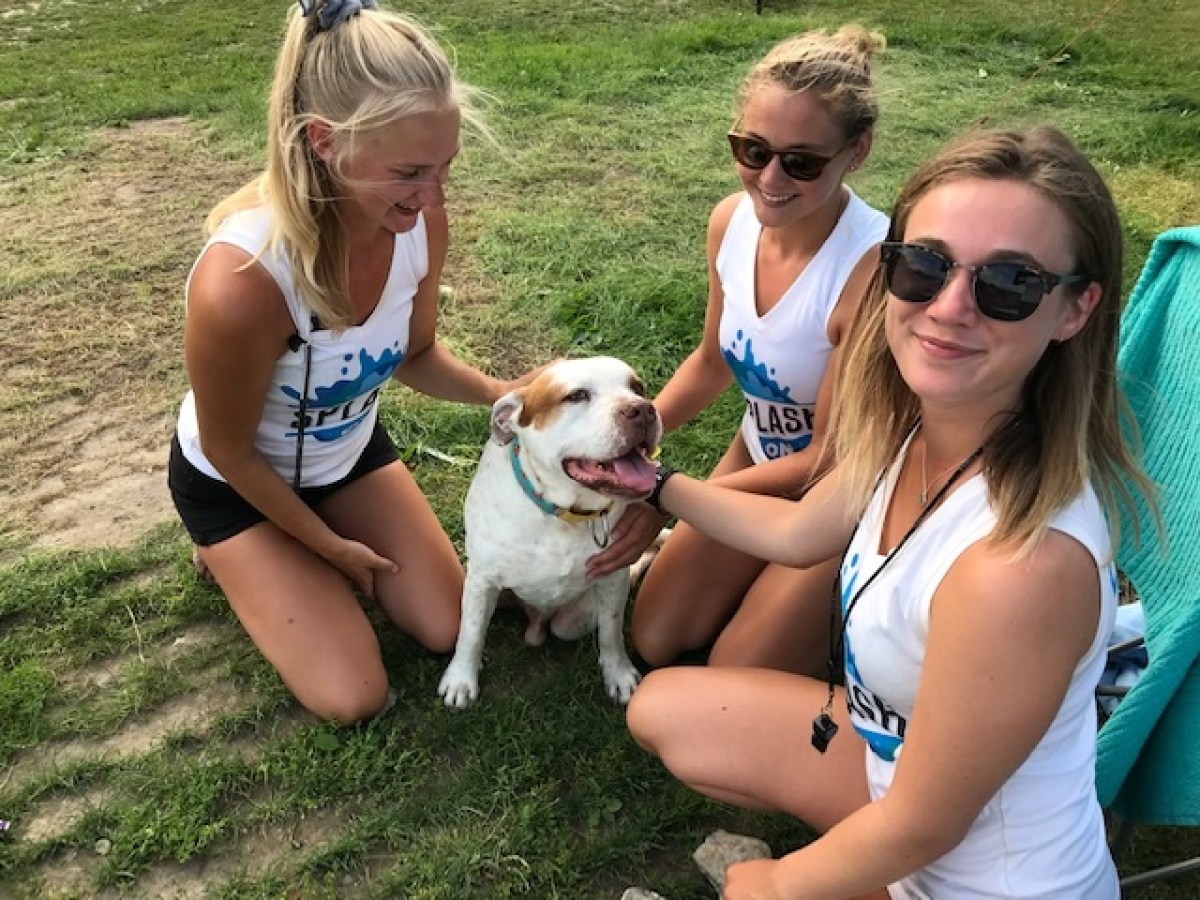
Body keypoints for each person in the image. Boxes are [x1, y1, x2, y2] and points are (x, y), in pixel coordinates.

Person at [627, 125, 1156, 899]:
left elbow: (923, 827)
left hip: (985, 882)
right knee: (663, 708)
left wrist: (772, 884)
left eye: (1010, 283)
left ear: (1076, 309)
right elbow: (797, 532)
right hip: (902, 772)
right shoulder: (920, 431)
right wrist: (650, 484)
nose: (950, 307)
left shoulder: (1022, 567)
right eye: (925, 264)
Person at [168, 0, 532, 725]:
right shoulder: (242, 282)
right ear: (324, 141)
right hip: (237, 482)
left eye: (446, 167)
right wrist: (331, 549)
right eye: (410, 172)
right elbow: (231, 452)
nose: (434, 196)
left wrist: (508, 393)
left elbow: (416, 355)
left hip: (344, 453)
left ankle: (288, 559)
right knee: (353, 696)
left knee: (445, 624)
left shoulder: (419, 220)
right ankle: (232, 554)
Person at [587, 26, 889, 673]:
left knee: (734, 669)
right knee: (657, 637)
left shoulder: (870, 268)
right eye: (752, 150)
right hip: (761, 454)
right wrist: (627, 444)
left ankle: (870, 587)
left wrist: (664, 493)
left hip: (842, 498)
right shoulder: (731, 221)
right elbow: (711, 362)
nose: (770, 178)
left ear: (857, 150)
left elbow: (828, 457)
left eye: (802, 162)